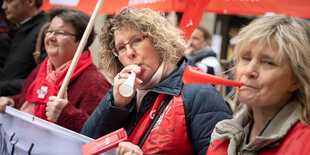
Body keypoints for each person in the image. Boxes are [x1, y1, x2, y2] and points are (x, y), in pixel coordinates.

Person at [81, 7, 231, 155]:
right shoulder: (122, 91)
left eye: (137, 40)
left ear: (158, 41)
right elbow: (86, 145)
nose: (129, 53)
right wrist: (115, 105)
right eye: (121, 47)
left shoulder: (200, 95)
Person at [207, 15, 310, 154]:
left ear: (296, 79)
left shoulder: (304, 145)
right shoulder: (223, 135)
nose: (249, 71)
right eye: (246, 58)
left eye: (268, 62)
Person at [0, 7, 111, 133]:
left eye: (60, 33)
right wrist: (13, 101)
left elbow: (100, 132)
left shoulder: (95, 83)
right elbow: (28, 98)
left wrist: (66, 114)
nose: (51, 37)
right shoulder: (41, 69)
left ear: (81, 41)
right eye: (49, 31)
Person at [0, 0, 48, 96]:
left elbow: (44, 80)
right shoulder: (21, 28)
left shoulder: (46, 32)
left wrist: (3, 87)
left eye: (9, 1)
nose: (3, 6)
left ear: (30, 2)